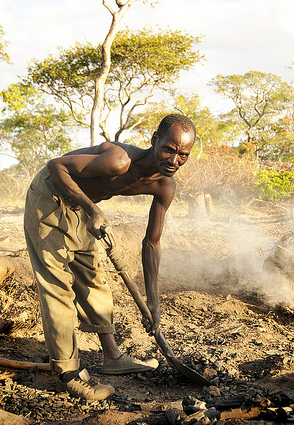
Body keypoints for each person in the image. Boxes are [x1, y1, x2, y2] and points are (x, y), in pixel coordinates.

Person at [23, 114, 196, 401]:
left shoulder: (165, 186)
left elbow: (152, 243)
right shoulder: (119, 160)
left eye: (183, 154)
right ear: (154, 141)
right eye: (168, 149)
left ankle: (113, 357)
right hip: (50, 195)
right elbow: (55, 167)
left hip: (82, 207)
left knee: (93, 278)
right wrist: (93, 210)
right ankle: (68, 374)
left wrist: (153, 300)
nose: (174, 159)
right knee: (58, 285)